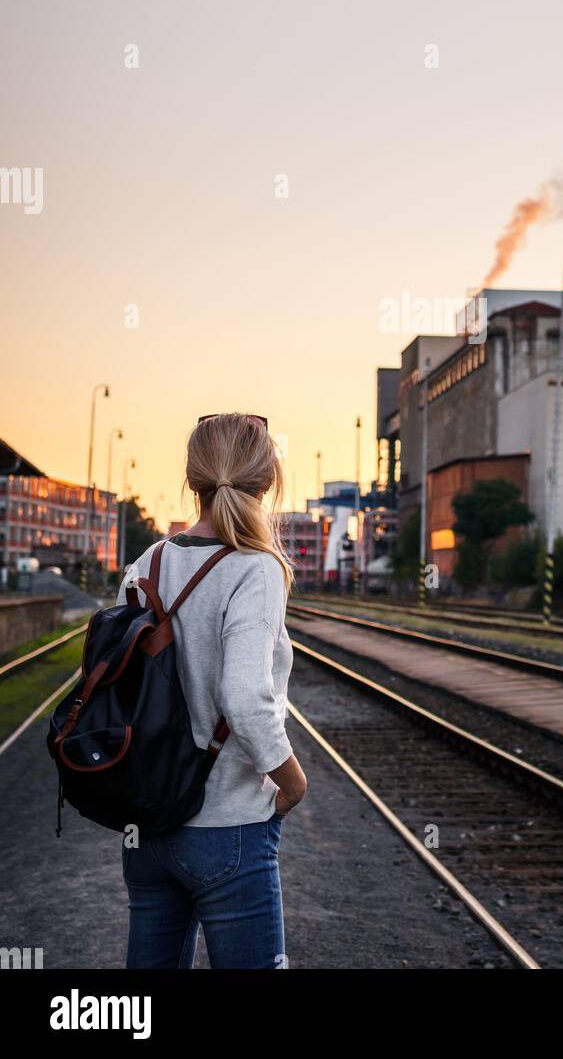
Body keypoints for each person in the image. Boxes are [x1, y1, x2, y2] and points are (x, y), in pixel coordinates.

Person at [119, 412, 306, 969]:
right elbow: (245, 698)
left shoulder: (145, 564)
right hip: (227, 829)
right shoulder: (255, 568)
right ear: (268, 479)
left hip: (147, 826)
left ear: (193, 478)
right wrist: (291, 783)